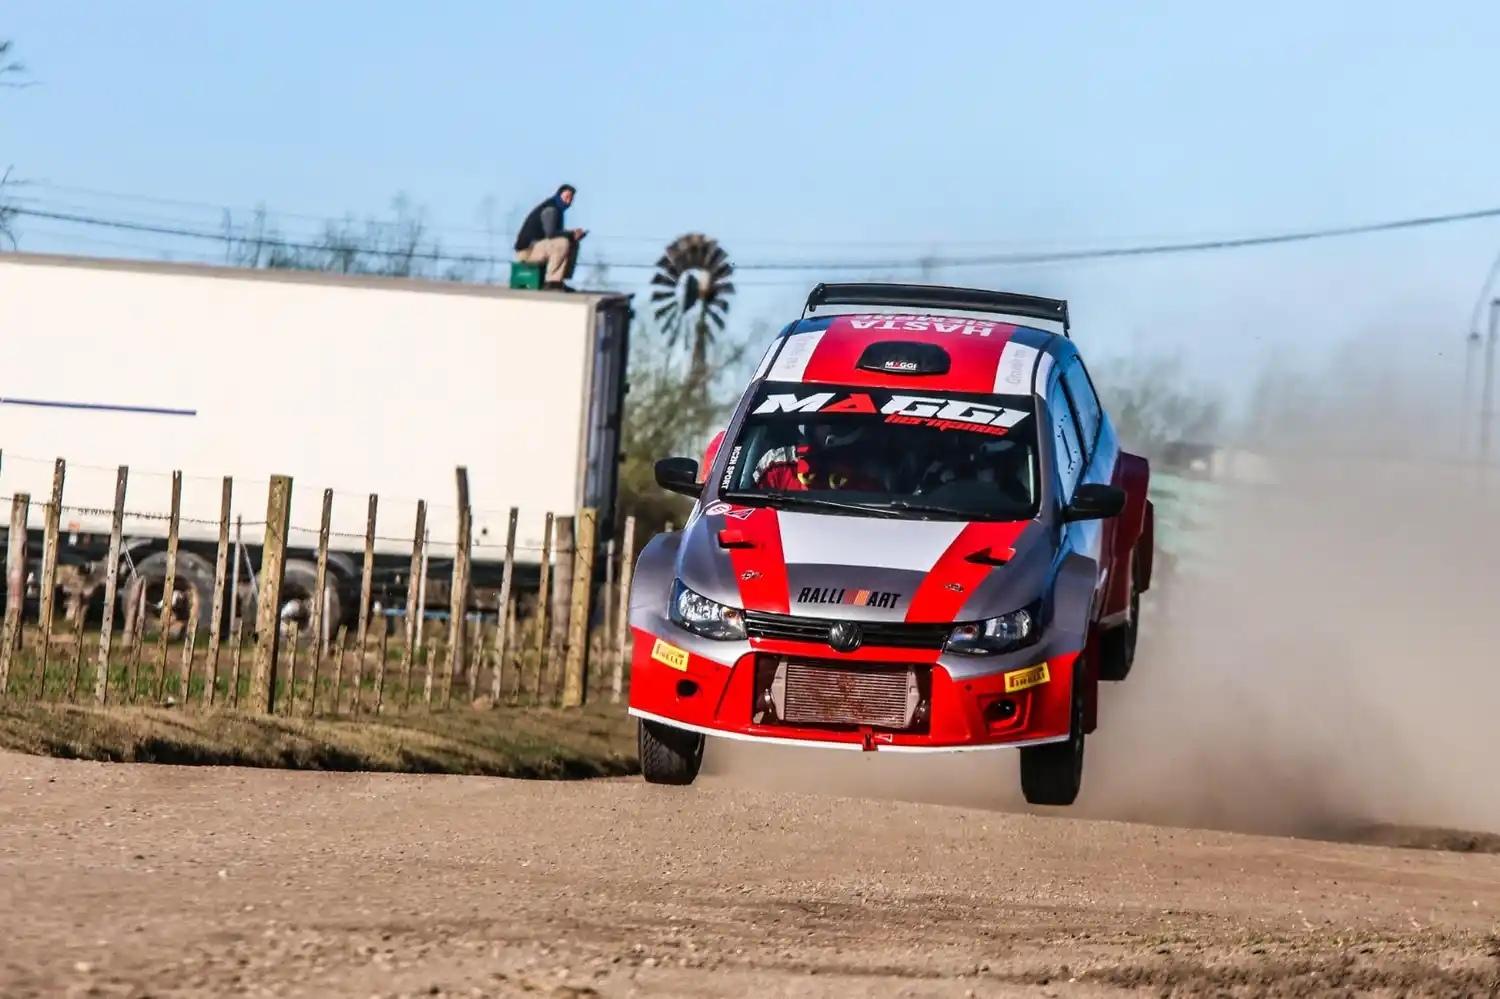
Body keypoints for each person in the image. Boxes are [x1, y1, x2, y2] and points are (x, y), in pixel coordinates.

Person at [753, 424, 884, 491]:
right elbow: (748, 511)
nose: (828, 427)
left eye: (837, 421)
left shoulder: (869, 478)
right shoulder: (777, 466)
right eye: (821, 420)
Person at [513, 184, 586, 290]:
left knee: (572, 242)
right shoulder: (551, 209)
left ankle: (560, 280)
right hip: (527, 251)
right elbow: (551, 234)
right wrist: (570, 234)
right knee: (563, 243)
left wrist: (573, 236)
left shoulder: (559, 211)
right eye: (566, 197)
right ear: (558, 195)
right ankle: (552, 281)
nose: (568, 201)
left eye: (571, 199)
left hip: (539, 247)